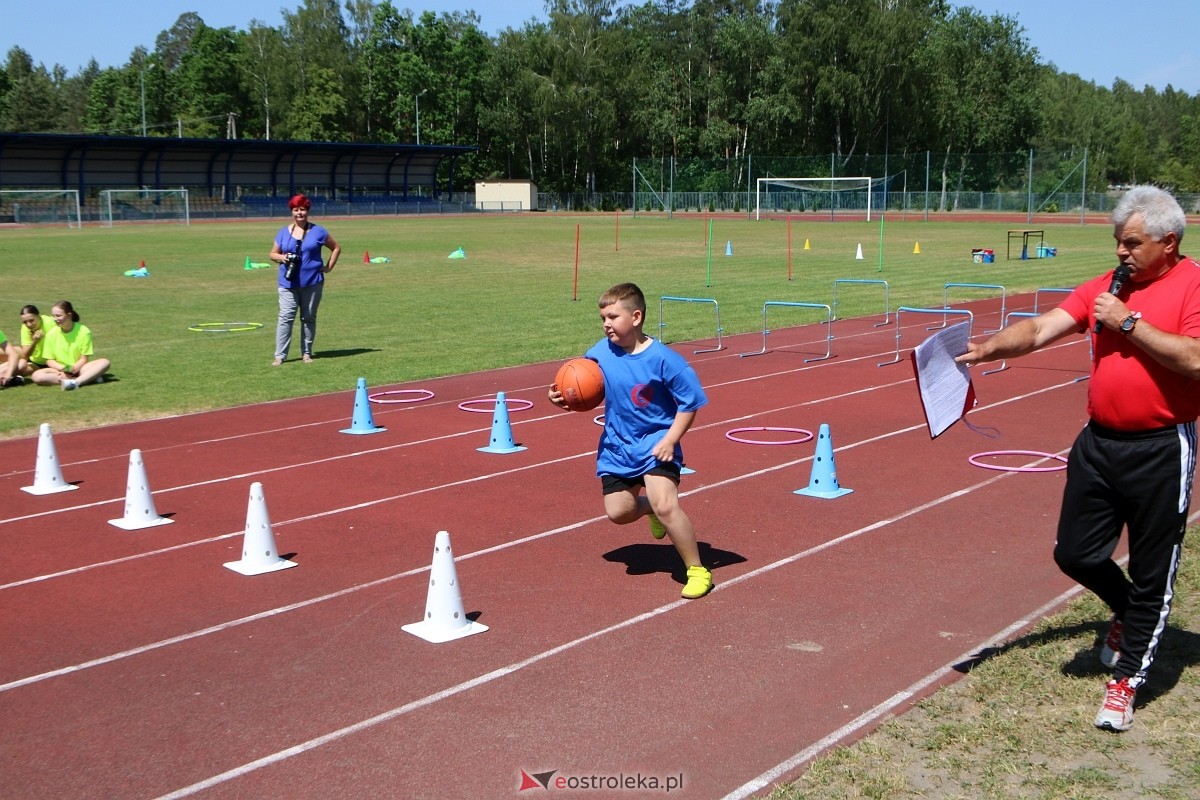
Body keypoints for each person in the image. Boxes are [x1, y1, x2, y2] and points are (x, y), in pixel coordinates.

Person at [955, 186, 1200, 732]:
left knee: (1153, 570)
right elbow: (1042, 328)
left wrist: (1129, 323)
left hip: (1161, 448)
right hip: (1098, 442)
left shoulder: (1192, 284)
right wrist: (988, 347)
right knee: (1076, 555)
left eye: (1132, 243)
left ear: (1169, 241)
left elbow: (1197, 360)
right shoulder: (1107, 288)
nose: (1121, 252)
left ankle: (1126, 683)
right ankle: (1131, 610)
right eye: (1117, 241)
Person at [548, 282, 714, 599]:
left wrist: (671, 439)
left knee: (667, 504)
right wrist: (560, 397)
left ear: (635, 317)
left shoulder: (666, 360)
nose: (606, 324)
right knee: (619, 513)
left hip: (656, 446)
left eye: (613, 316)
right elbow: (583, 389)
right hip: (616, 448)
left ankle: (697, 569)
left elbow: (690, 404)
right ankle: (649, 508)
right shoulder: (597, 354)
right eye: (603, 318)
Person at [269, 194, 340, 365]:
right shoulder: (283, 233)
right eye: (296, 210)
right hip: (288, 283)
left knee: (308, 318)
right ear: (291, 212)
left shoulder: (319, 231)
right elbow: (272, 253)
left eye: (302, 209)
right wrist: (283, 257)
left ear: (307, 211)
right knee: (286, 317)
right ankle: (280, 355)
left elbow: (336, 248)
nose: (299, 213)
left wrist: (329, 267)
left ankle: (306, 353)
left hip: (313, 282)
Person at [29, 300, 111, 390]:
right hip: (60, 369)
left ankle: (75, 382)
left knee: (105, 362)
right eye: (53, 316)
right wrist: (64, 369)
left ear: (69, 314)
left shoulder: (84, 331)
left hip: (80, 368)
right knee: (36, 376)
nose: (55, 319)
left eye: (58, 316)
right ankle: (85, 378)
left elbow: (84, 359)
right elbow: (49, 361)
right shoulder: (51, 334)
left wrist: (73, 369)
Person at [15, 304, 53, 379]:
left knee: (19, 368)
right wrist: (34, 342)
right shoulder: (25, 327)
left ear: (39, 316)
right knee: (7, 350)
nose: (28, 324)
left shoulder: (51, 323)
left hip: (47, 362)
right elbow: (25, 355)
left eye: (31, 320)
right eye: (25, 322)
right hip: (32, 359)